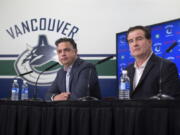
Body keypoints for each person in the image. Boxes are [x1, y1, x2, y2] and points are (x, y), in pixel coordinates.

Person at [126, 25, 180, 99]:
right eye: (131, 41)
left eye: (139, 39)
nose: (135, 44)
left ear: (149, 42)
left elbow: (171, 102)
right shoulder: (127, 71)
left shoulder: (166, 67)